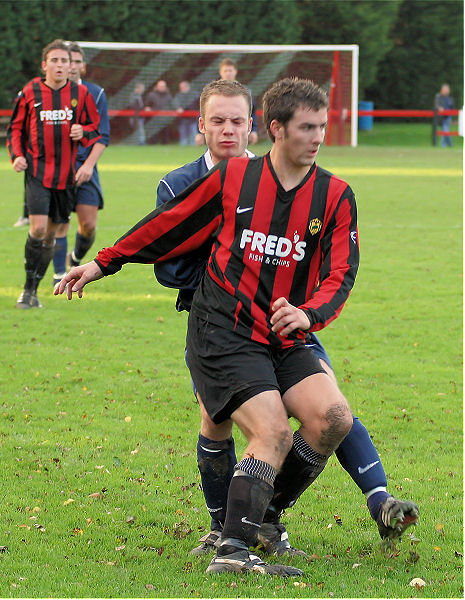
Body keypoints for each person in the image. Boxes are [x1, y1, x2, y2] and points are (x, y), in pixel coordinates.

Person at [56, 77, 362, 577]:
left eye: (323, 127)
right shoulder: (234, 178)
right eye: (307, 128)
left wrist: (309, 314)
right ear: (277, 129)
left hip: (283, 334)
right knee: (272, 432)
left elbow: (341, 272)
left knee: (333, 419)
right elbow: (166, 225)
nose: (318, 137)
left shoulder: (335, 195)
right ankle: (231, 552)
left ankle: (260, 522)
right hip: (223, 331)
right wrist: (102, 263)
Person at [154, 80, 419, 557]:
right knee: (216, 422)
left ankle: (267, 520)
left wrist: (295, 298)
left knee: (329, 408)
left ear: (257, 125)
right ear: (201, 127)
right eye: (219, 121)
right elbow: (168, 261)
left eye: (238, 120)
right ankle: (225, 530)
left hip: (285, 323)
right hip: (218, 325)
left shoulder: (276, 179)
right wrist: (227, 273)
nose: (230, 130)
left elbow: (327, 263)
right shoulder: (181, 184)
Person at [7, 39, 101, 309]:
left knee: (51, 234)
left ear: (70, 66)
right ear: (44, 65)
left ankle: (33, 290)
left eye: (65, 61)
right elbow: (14, 128)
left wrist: (83, 131)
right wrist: (17, 155)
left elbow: (95, 130)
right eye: (55, 61)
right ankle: (27, 290)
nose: (60, 65)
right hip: (37, 173)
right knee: (37, 229)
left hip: (66, 178)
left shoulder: (80, 94)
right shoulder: (30, 92)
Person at [51, 42, 110, 286]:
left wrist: (88, 165)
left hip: (86, 167)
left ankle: (75, 257)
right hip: (58, 169)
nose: (71, 66)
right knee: (59, 224)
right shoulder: (50, 94)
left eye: (75, 61)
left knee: (88, 225)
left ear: (82, 66)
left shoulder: (95, 93)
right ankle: (57, 277)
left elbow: (102, 135)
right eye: (67, 60)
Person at [195, 57, 258, 147]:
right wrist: (198, 132)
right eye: (225, 71)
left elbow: (252, 112)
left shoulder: (245, 92)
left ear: (235, 71)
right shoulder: (211, 92)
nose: (228, 73)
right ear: (220, 72)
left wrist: (254, 130)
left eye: (230, 70)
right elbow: (203, 112)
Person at [145, 79, 173, 144]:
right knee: (153, 136)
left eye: (163, 86)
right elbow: (147, 105)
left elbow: (172, 105)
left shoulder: (168, 95)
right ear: (157, 87)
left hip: (165, 119)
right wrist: (147, 108)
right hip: (154, 119)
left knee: (165, 136)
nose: (162, 87)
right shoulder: (151, 95)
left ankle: (166, 149)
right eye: (160, 86)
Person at [173, 80, 199, 146]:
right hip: (182, 119)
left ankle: (193, 146)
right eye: (181, 87)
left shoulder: (194, 95)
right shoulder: (178, 96)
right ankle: (183, 147)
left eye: (183, 87)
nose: (182, 88)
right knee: (183, 134)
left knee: (193, 133)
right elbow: (175, 103)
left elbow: (199, 104)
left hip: (193, 118)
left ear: (188, 87)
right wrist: (178, 108)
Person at [434, 83, 455, 148]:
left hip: (449, 117)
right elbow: (436, 105)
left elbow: (453, 107)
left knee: (445, 130)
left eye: (448, 89)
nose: (447, 91)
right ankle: (448, 145)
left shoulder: (450, 98)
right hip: (442, 117)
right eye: (446, 89)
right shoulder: (438, 97)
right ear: (442, 90)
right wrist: (440, 108)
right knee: (445, 130)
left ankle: (444, 145)